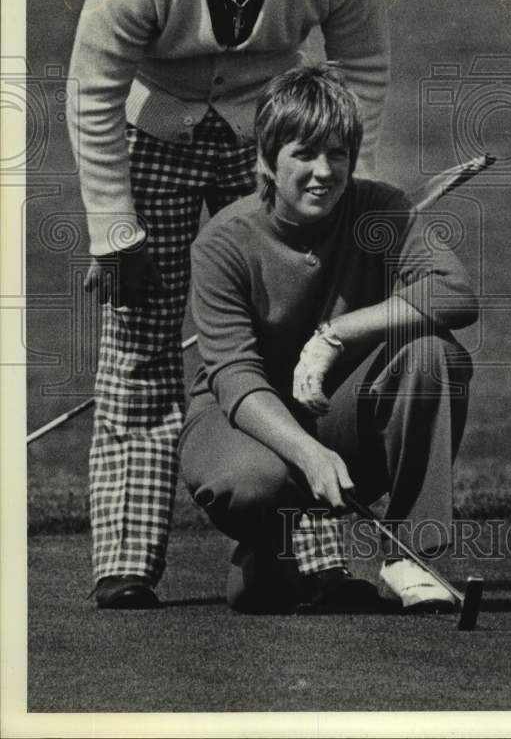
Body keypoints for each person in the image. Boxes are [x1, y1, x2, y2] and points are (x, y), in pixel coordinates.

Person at [66, 0, 390, 608]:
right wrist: (113, 228)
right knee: (140, 346)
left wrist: (340, 187)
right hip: (156, 141)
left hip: (269, 146)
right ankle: (128, 562)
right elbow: (92, 91)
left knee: (289, 333)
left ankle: (304, 556)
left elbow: (365, 71)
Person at [178, 65, 477, 613]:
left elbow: (456, 293)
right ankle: (269, 549)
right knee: (253, 488)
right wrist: (310, 456)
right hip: (245, 424)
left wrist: (335, 333)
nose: (323, 172)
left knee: (434, 355)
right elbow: (236, 379)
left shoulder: (380, 209)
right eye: (304, 154)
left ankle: (412, 554)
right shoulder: (223, 240)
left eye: (337, 154)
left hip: (340, 412)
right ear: (267, 160)